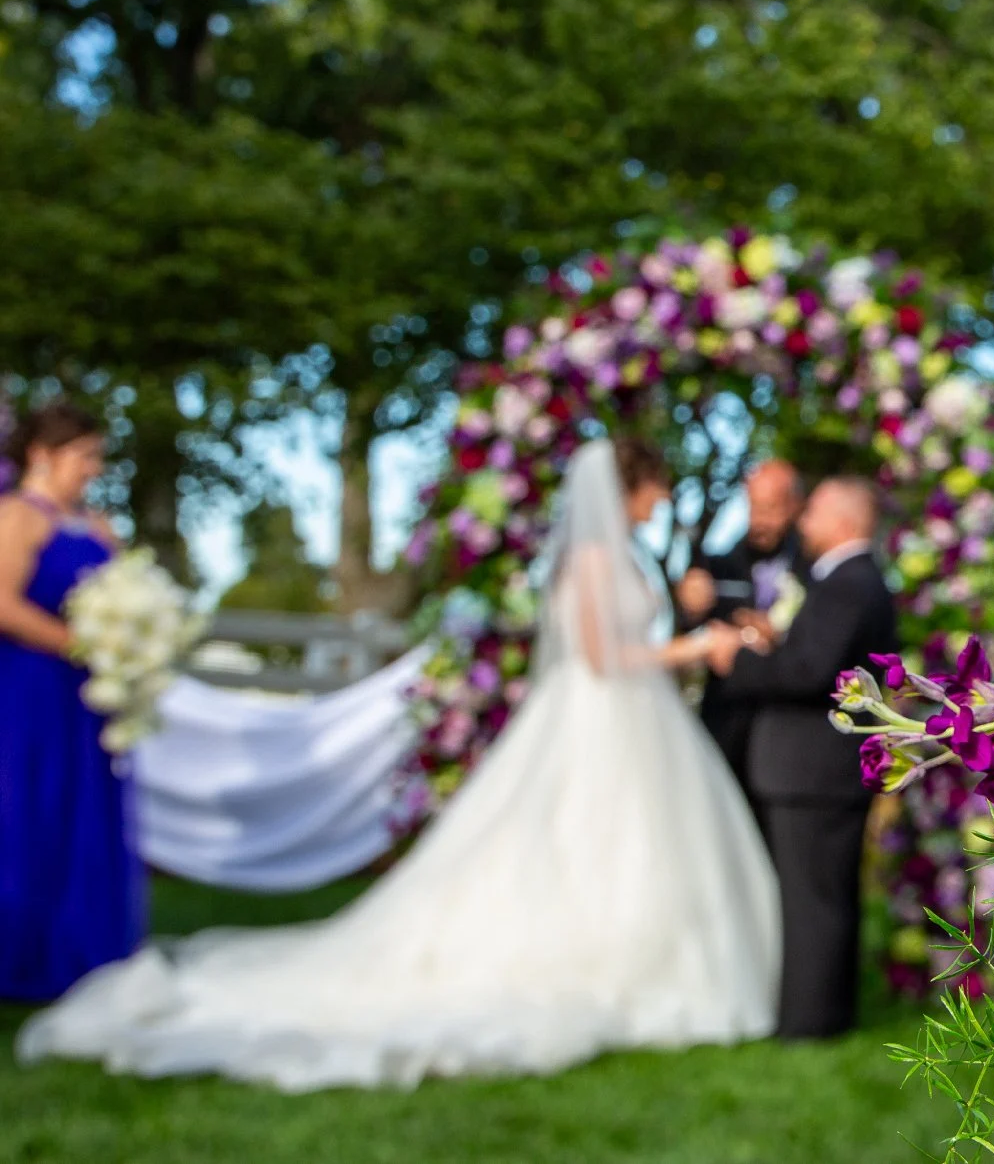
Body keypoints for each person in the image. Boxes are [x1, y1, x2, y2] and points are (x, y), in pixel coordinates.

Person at [18, 438, 782, 1089]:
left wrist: (687, 622)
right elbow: (600, 652)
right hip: (600, 714)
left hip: (634, 720)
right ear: (635, 487)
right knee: (589, 840)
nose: (658, 503)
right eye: (656, 490)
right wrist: (692, 646)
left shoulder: (626, 554)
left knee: (630, 844)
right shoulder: (589, 556)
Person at [717, 474, 896, 1039]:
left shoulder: (848, 581)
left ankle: (809, 1024)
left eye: (813, 511)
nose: (804, 522)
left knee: (811, 902)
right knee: (821, 896)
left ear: (843, 520)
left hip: (812, 772)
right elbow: (817, 659)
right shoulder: (854, 581)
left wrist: (734, 662)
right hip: (819, 771)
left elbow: (808, 674)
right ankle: (820, 1016)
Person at [0, 400, 141, 1002]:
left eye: (96, 457)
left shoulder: (95, 525)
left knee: (84, 812)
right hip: (30, 691)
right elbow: (3, 603)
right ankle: (22, 956)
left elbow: (131, 586)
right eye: (84, 455)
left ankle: (85, 954)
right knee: (31, 808)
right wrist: (78, 643)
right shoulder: (17, 518)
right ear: (42, 455)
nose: (93, 468)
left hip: (87, 698)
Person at [677, 458, 806, 798]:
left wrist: (778, 636)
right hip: (727, 725)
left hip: (788, 733)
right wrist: (690, 606)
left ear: (794, 506)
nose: (759, 520)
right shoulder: (717, 563)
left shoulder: (812, 567)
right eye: (753, 508)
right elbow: (688, 630)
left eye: (771, 509)